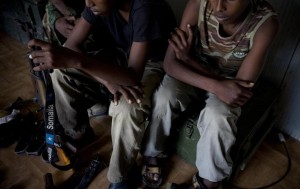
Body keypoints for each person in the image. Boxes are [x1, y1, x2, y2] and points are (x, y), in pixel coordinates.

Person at [28, 0, 176, 188]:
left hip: (150, 63)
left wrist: (79, 62)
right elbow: (72, 44)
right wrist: (108, 81)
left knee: (125, 105)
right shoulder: (98, 4)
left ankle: (121, 176)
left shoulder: (145, 6)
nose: (88, 2)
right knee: (61, 72)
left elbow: (132, 77)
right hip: (121, 56)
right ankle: (78, 133)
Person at [141, 0, 279, 188]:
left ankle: (209, 182)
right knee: (165, 95)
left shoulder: (265, 23)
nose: (219, 6)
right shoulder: (199, 4)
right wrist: (214, 83)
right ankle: (153, 153)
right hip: (197, 73)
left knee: (219, 116)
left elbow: (238, 89)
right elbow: (170, 64)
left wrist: (188, 58)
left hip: (225, 80)